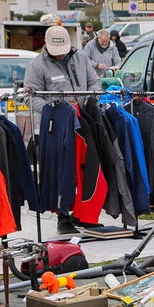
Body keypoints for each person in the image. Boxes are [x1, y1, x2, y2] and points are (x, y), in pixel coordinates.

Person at [23, 25, 100, 236]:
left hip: (83, 120)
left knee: (85, 168)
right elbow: (30, 96)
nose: (60, 56)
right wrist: (49, 110)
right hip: (56, 127)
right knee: (61, 172)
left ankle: (84, 214)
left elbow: (94, 80)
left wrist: (92, 99)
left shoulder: (81, 58)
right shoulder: (36, 65)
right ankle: (63, 216)